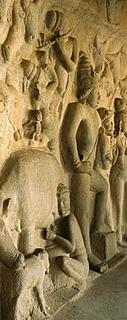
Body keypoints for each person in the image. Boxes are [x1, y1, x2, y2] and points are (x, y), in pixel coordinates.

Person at [60, 52, 108, 272]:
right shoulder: (77, 109)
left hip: (89, 169)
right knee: (82, 213)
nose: (98, 97)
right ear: (87, 91)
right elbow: (68, 136)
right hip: (80, 170)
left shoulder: (95, 115)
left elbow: (98, 143)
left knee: (104, 187)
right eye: (96, 93)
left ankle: (97, 229)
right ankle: (86, 253)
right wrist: (77, 164)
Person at [45, 183, 89, 291]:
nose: (61, 206)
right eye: (59, 203)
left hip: (81, 265)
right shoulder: (64, 220)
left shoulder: (70, 220)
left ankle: (81, 281)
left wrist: (54, 237)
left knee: (63, 261)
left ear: (69, 201)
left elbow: (70, 248)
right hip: (75, 262)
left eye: (65, 202)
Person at [110, 98, 127, 245]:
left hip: (124, 171)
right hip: (118, 173)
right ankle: (117, 234)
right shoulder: (115, 139)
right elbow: (112, 159)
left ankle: (123, 230)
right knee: (118, 204)